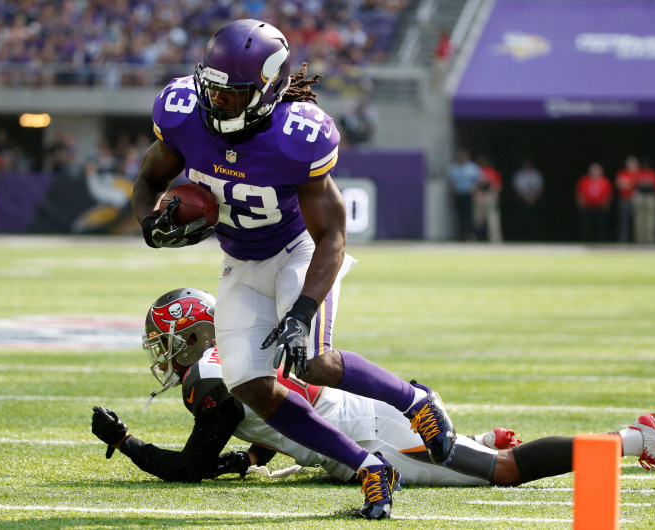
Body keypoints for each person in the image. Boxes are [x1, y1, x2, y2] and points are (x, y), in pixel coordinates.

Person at [130, 19, 455, 520]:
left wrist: (303, 311)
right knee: (250, 386)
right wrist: (151, 223)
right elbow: (148, 179)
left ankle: (416, 403)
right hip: (240, 260)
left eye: (235, 96)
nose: (219, 105)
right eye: (213, 92)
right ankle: (369, 467)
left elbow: (333, 235)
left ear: (269, 88)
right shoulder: (183, 114)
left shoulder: (297, 136)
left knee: (313, 359)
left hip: (296, 252)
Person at [91, 287, 655, 491]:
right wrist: (250, 456)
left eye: (165, 342)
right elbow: (279, 413)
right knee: (487, 455)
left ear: (191, 334)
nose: (163, 356)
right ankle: (477, 437)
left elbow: (191, 467)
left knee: (505, 471)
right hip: (359, 424)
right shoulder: (236, 349)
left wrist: (127, 441)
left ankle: (632, 437)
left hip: (368, 431)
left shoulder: (209, 380)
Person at [574, 163, 613, 243]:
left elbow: (609, 194)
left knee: (601, 226)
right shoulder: (584, 180)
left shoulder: (605, 181)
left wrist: (606, 204)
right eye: (593, 170)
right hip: (588, 207)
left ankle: (603, 241)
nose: (595, 172)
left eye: (597, 170)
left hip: (600, 208)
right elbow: (579, 193)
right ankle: (583, 240)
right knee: (585, 226)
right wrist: (581, 203)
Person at [448, 148, 480, 241]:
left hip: (470, 195)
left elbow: (478, 181)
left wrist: (475, 192)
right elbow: (452, 183)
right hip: (459, 194)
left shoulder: (472, 167)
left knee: (470, 216)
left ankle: (472, 235)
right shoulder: (454, 168)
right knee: (460, 216)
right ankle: (462, 236)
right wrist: (453, 195)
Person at [511, 158, 544, 241]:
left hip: (534, 201)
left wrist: (533, 198)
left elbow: (540, 188)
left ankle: (535, 237)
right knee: (522, 221)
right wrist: (524, 198)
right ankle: (522, 237)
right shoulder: (520, 174)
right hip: (521, 201)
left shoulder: (536, 174)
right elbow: (516, 188)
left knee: (535, 221)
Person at [631, 159, 655, 245]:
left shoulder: (653, 173)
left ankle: (650, 239)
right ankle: (639, 239)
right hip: (640, 197)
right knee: (639, 219)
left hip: (651, 197)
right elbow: (633, 185)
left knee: (651, 220)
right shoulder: (638, 173)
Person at [473, 155, 503, 242]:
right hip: (478, 199)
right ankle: (477, 239)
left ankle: (495, 240)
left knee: (492, 220)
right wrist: (478, 195)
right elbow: (472, 186)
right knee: (477, 221)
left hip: (490, 198)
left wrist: (488, 195)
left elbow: (497, 186)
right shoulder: (475, 171)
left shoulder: (492, 172)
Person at [615, 156, 640, 243]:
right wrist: (632, 184)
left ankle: (636, 241)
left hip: (637, 202)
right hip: (625, 201)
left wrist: (628, 183)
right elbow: (620, 185)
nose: (631, 165)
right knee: (624, 222)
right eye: (630, 163)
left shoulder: (639, 173)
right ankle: (623, 241)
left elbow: (641, 185)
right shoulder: (622, 173)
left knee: (637, 222)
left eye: (633, 163)